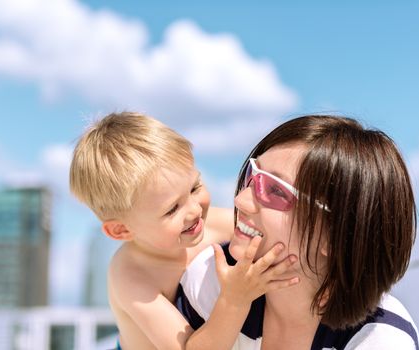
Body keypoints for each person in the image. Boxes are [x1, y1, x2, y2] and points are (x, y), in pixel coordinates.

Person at [177, 115, 419, 349]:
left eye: (276, 191)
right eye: (252, 175)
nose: (241, 200)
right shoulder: (212, 278)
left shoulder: (381, 338)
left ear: (336, 236)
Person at [69, 111, 299, 350]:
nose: (193, 210)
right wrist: (235, 299)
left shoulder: (214, 224)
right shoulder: (131, 274)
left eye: (195, 187)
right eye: (171, 210)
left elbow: (275, 239)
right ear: (121, 230)